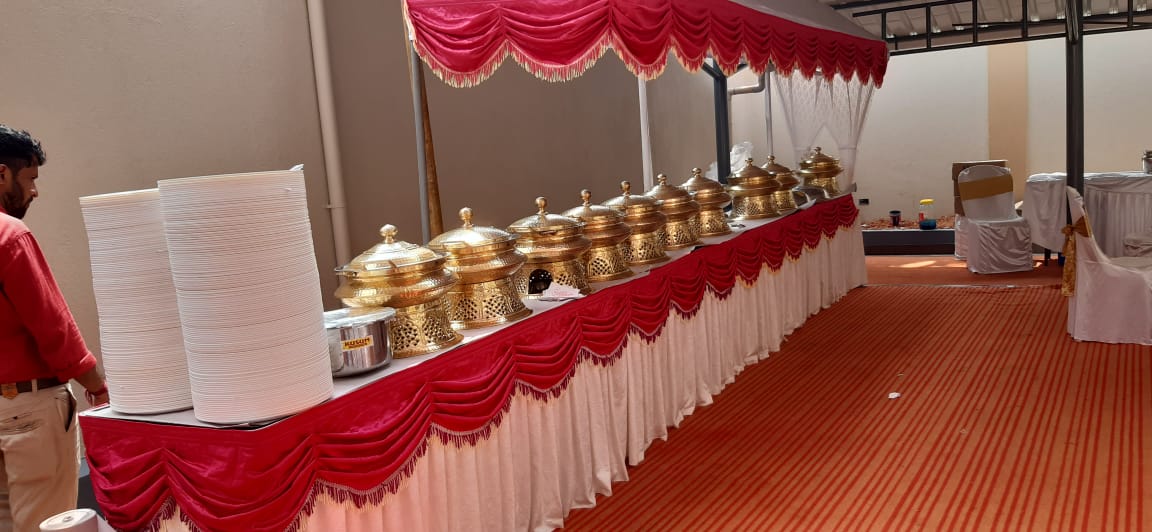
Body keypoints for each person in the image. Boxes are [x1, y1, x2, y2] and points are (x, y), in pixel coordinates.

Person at [0, 124, 108, 531]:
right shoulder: (9, 236)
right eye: (30, 179)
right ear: (2, 174)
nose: (35, 191)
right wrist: (96, 384)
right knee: (46, 524)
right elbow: (53, 327)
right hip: (28, 410)